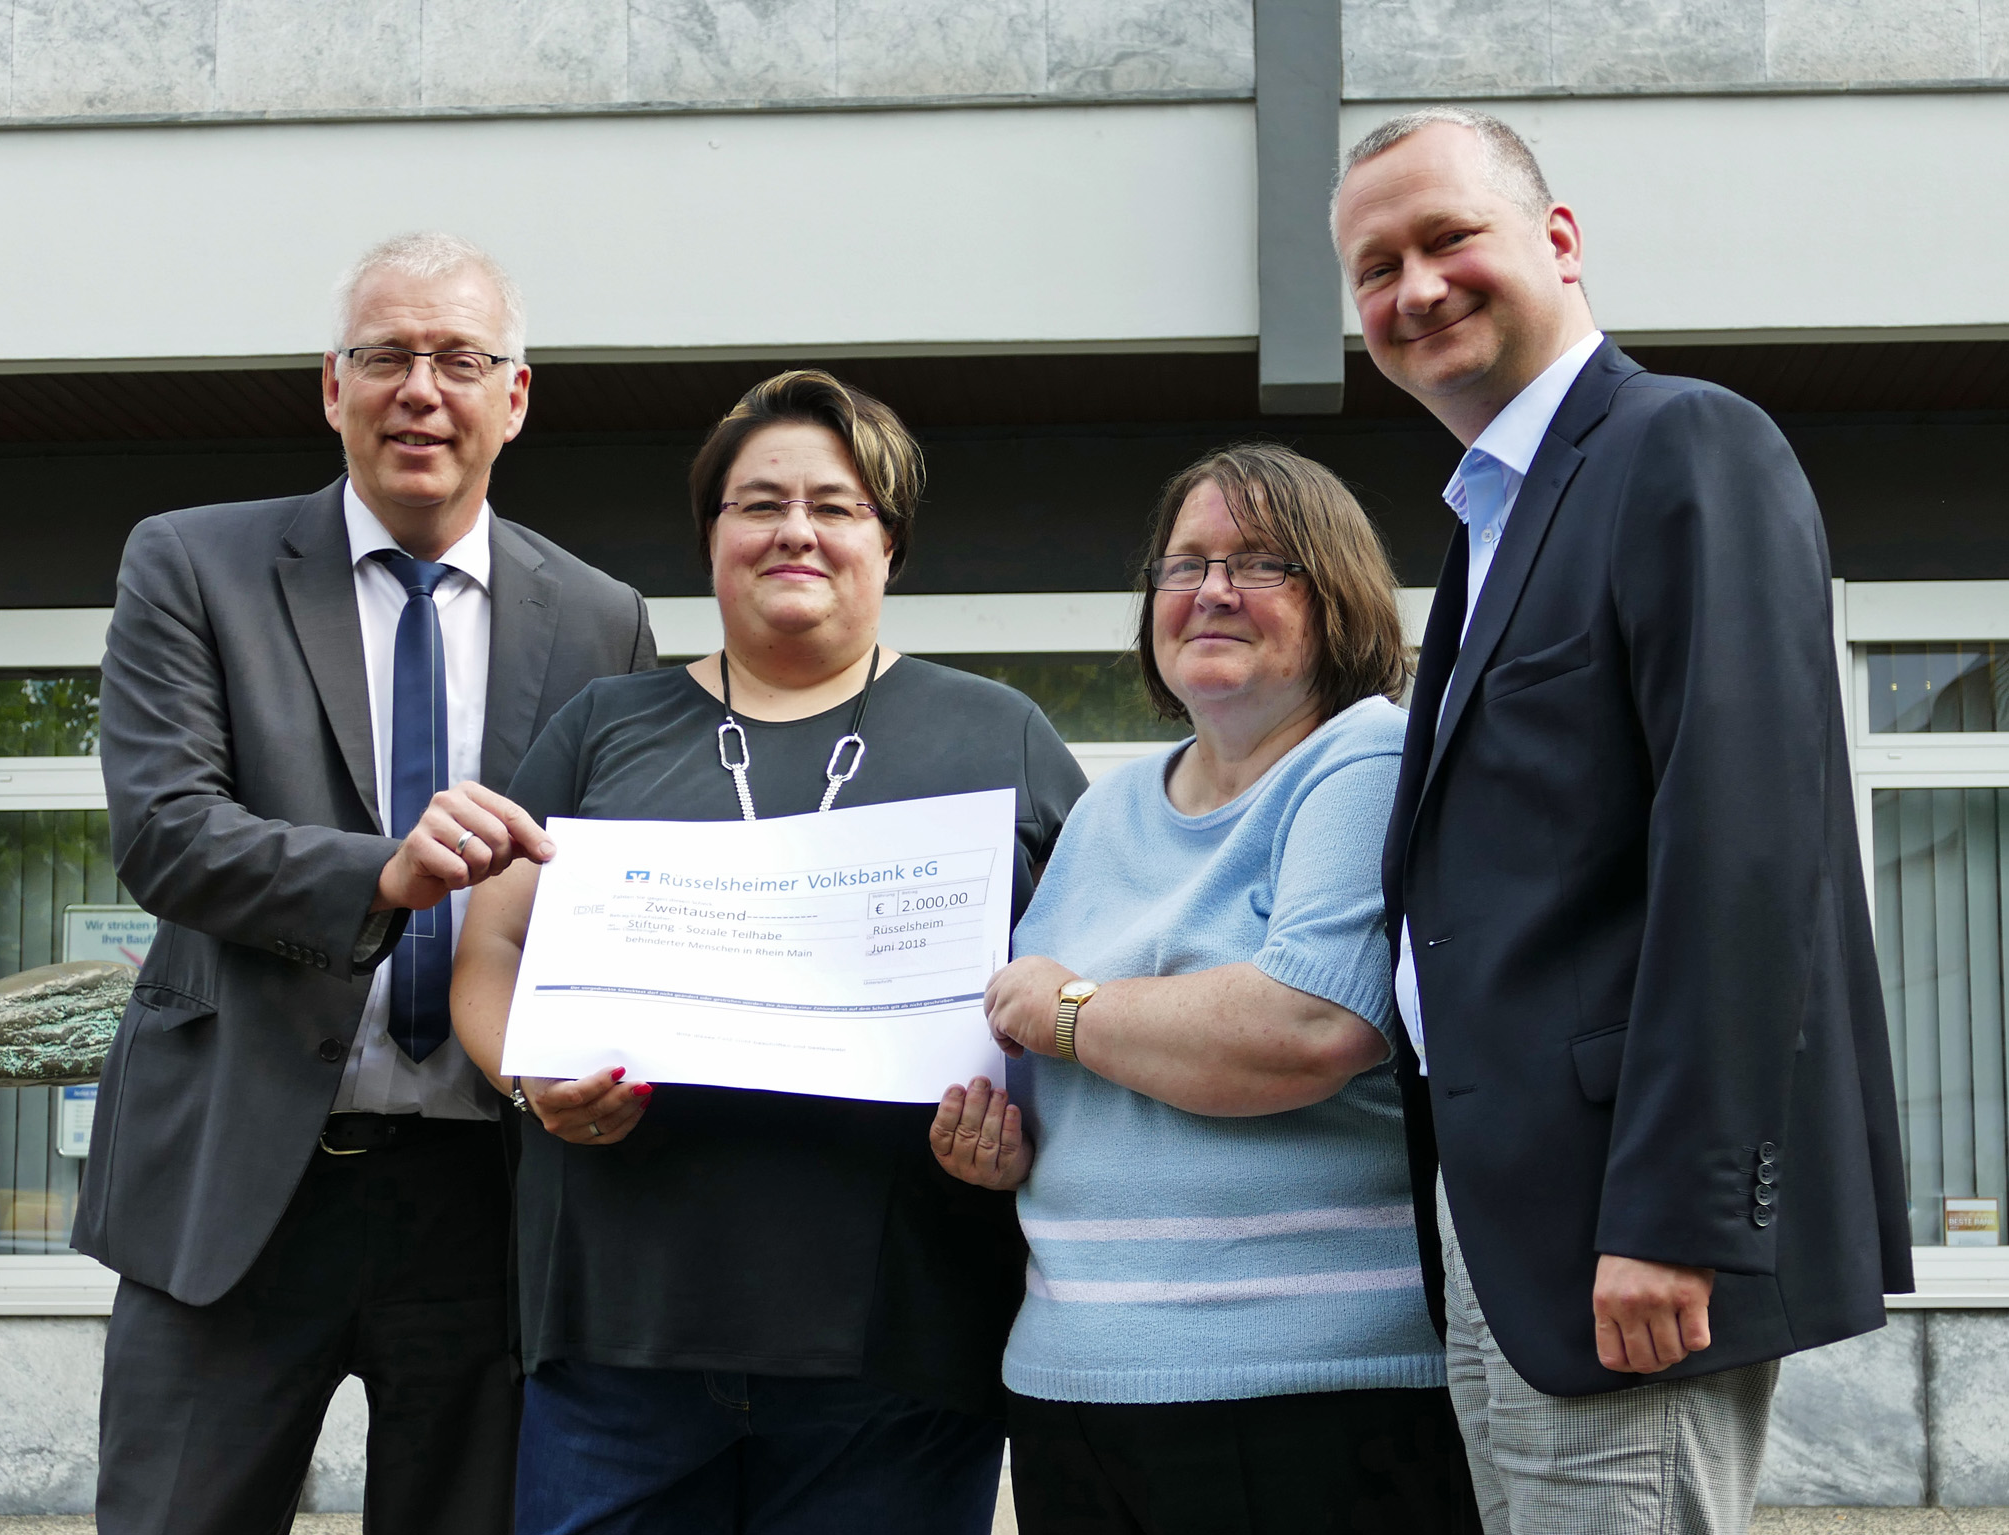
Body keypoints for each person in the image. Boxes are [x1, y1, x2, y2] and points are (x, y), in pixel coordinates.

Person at [1330, 108, 1913, 1532]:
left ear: (1559, 239)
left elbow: (1744, 853)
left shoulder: (1680, 446)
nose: (1412, 289)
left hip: (1621, 1229)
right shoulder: (1491, 521)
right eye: (1372, 267)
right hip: (1504, 1227)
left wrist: (1671, 1213)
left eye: (1447, 236)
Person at [77, 232, 656, 1533]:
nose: (420, 388)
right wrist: (377, 874)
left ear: (514, 397)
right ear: (329, 385)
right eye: (386, 354)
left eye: (459, 357)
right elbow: (164, 833)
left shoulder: (602, 619)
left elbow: (608, 895)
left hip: (485, 1196)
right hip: (233, 1183)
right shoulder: (189, 564)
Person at [452, 368, 1087, 1534]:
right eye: (758, 502)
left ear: (886, 544)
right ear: (711, 539)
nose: (796, 528)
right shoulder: (601, 729)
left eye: (836, 505)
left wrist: (1024, 1130)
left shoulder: (998, 732)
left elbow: (1077, 986)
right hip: (616, 1334)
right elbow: (491, 943)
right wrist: (524, 1077)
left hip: (898, 1347)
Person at [933, 443, 1476, 1534]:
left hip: (1309, 1393)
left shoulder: (1361, 761)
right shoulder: (1109, 805)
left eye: (1260, 562)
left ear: (1337, 597)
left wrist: (1069, 1010)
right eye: (1183, 566)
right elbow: (1041, 1063)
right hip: (1072, 1386)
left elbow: (1308, 1024)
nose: (1211, 590)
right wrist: (992, 1136)